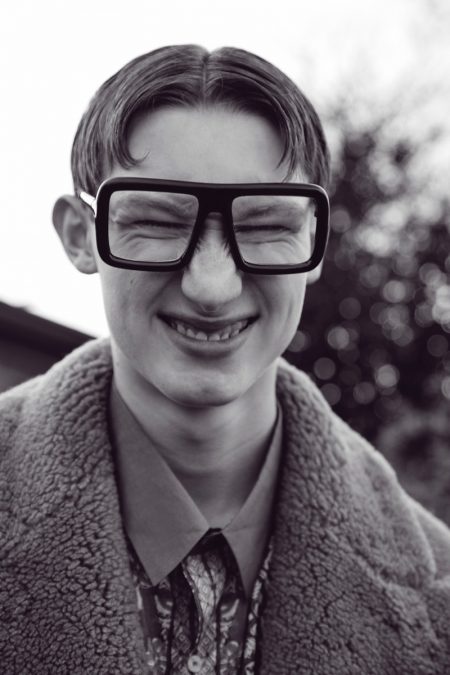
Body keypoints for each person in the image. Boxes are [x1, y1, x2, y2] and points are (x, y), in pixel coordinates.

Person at [1, 44, 449, 675]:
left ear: (315, 240)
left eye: (265, 225)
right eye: (158, 221)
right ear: (81, 236)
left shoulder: (440, 604)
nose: (212, 287)